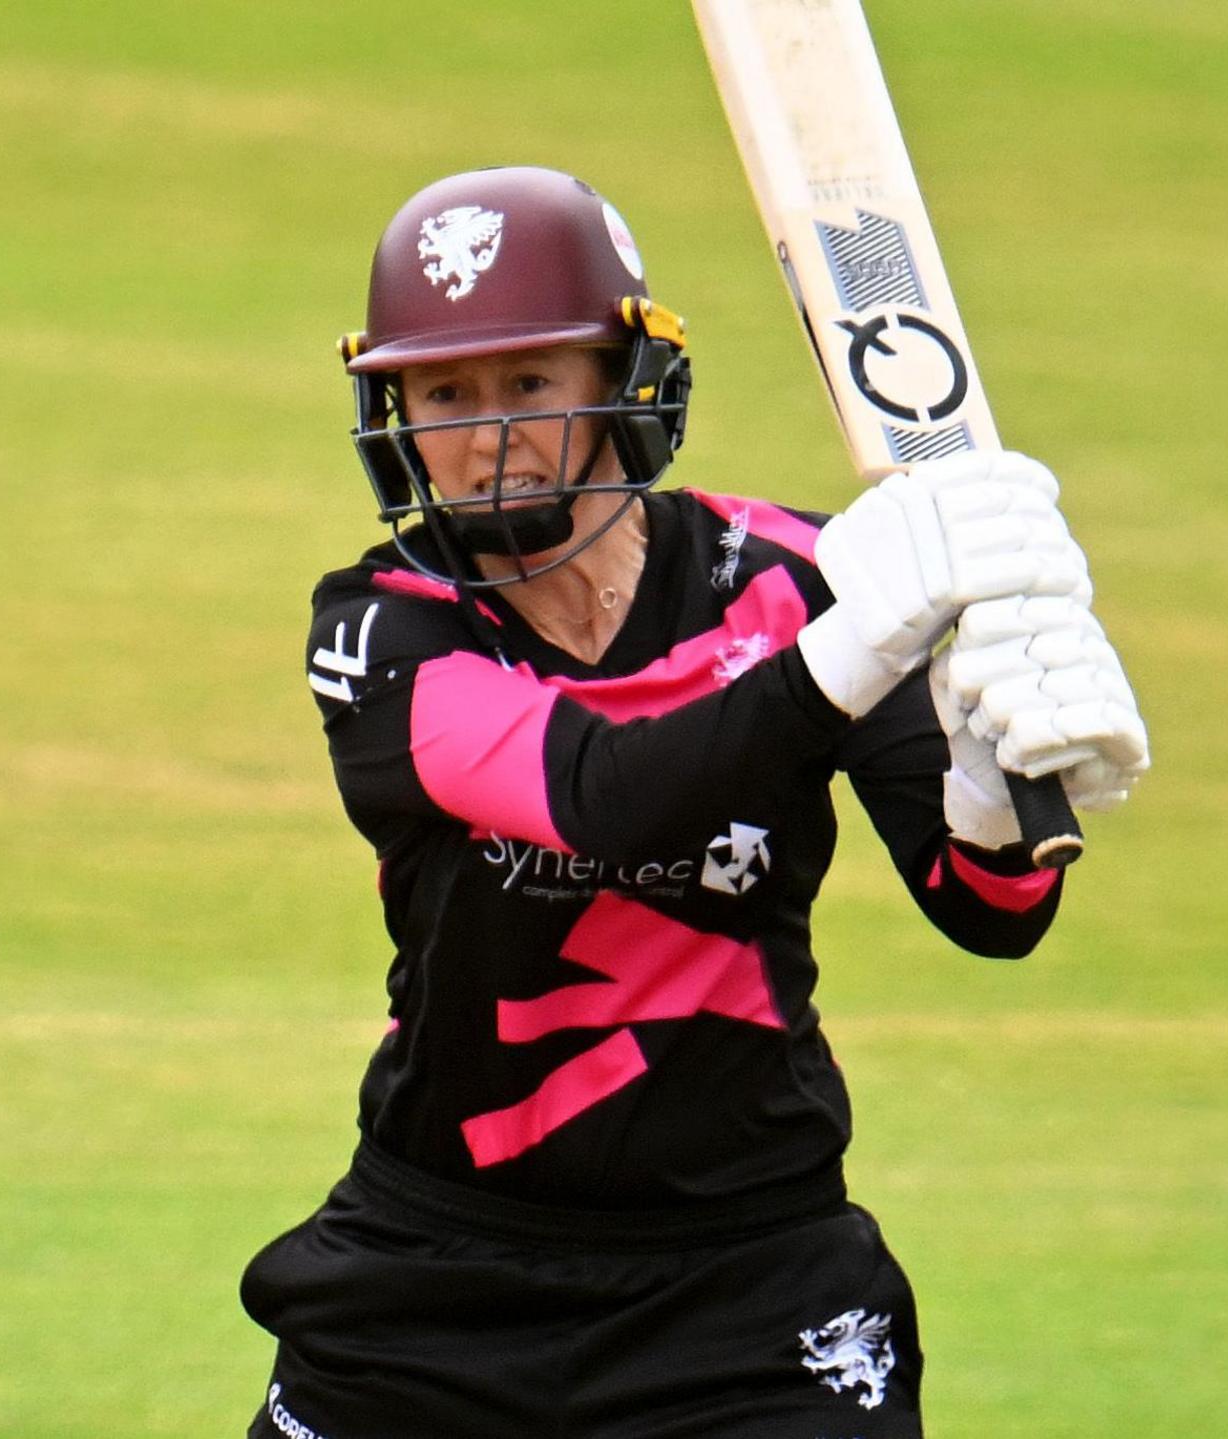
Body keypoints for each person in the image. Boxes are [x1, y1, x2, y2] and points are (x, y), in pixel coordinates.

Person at [242, 165, 1145, 1438]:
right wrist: (859, 647)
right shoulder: (387, 628)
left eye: (528, 382)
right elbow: (602, 797)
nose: (485, 429)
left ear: (623, 381)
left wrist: (994, 789)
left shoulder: (801, 579)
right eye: (443, 390)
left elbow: (990, 910)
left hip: (750, 1288)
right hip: (436, 1281)